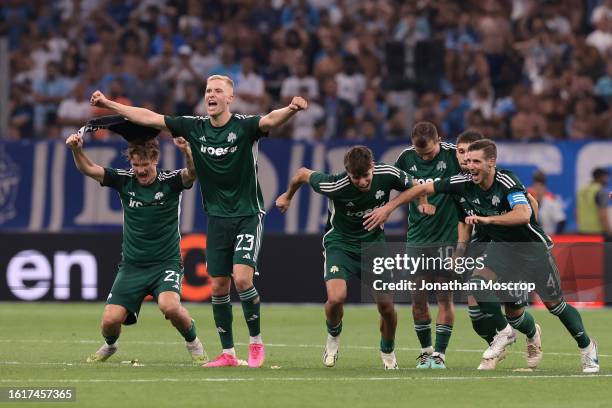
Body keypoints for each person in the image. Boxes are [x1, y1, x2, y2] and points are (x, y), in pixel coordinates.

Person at [90, 74, 308, 368]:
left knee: (241, 278)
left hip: (247, 214)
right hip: (216, 218)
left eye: (218, 91)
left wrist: (292, 109)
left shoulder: (243, 126)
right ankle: (228, 353)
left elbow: (269, 120)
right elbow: (149, 117)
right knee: (218, 287)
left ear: (230, 98)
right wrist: (107, 104)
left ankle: (255, 343)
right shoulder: (195, 127)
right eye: (208, 91)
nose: (211, 95)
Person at [364, 139, 599, 373]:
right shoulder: (462, 182)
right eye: (467, 161)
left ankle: (588, 349)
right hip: (501, 250)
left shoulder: (506, 181)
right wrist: (388, 208)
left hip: (531, 250)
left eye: (476, 161)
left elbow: (523, 215)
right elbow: (422, 188)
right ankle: (504, 333)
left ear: (491, 163)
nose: (470, 166)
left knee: (554, 305)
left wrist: (488, 220)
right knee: (483, 290)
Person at [65, 130, 206, 364]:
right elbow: (88, 169)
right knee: (110, 321)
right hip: (132, 267)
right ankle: (110, 346)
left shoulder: (170, 181)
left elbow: (192, 174)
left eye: (145, 164)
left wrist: (187, 152)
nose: (140, 170)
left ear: (155, 160)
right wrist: (76, 149)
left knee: (169, 306)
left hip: (166, 263)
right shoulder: (124, 179)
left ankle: (194, 343)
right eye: (136, 164)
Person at [275, 146, 412, 369]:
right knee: (337, 297)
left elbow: (418, 187)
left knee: (387, 307)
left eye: (366, 175)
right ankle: (333, 336)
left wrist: (389, 207)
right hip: (340, 243)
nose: (362, 182)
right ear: (348, 173)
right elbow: (301, 173)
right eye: (355, 178)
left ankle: (388, 351)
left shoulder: (387, 174)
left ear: (373, 167)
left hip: (373, 246)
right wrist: (287, 196)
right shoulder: (334, 184)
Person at [455, 130, 542, 371]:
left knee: (513, 310)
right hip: (483, 245)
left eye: (470, 155)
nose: (465, 160)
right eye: (461, 153)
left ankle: (531, 333)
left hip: (508, 245)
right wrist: (461, 249)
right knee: (475, 306)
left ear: (486, 159)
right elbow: (462, 219)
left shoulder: (503, 180)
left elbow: (530, 204)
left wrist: (533, 230)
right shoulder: (460, 184)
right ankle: (498, 343)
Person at [393, 122, 461, 369]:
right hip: (417, 238)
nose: (424, 158)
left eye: (429, 154)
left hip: (448, 237)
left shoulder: (455, 153)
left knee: (444, 295)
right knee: (418, 297)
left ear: (439, 141)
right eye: (420, 154)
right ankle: (425, 351)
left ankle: (440, 355)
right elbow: (396, 186)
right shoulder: (405, 157)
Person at [577, 168, 611, 237]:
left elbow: (576, 211)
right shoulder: (601, 191)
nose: (608, 179)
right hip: (597, 232)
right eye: (607, 177)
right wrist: (609, 232)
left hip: (582, 230)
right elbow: (603, 214)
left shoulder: (582, 190)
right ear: (602, 177)